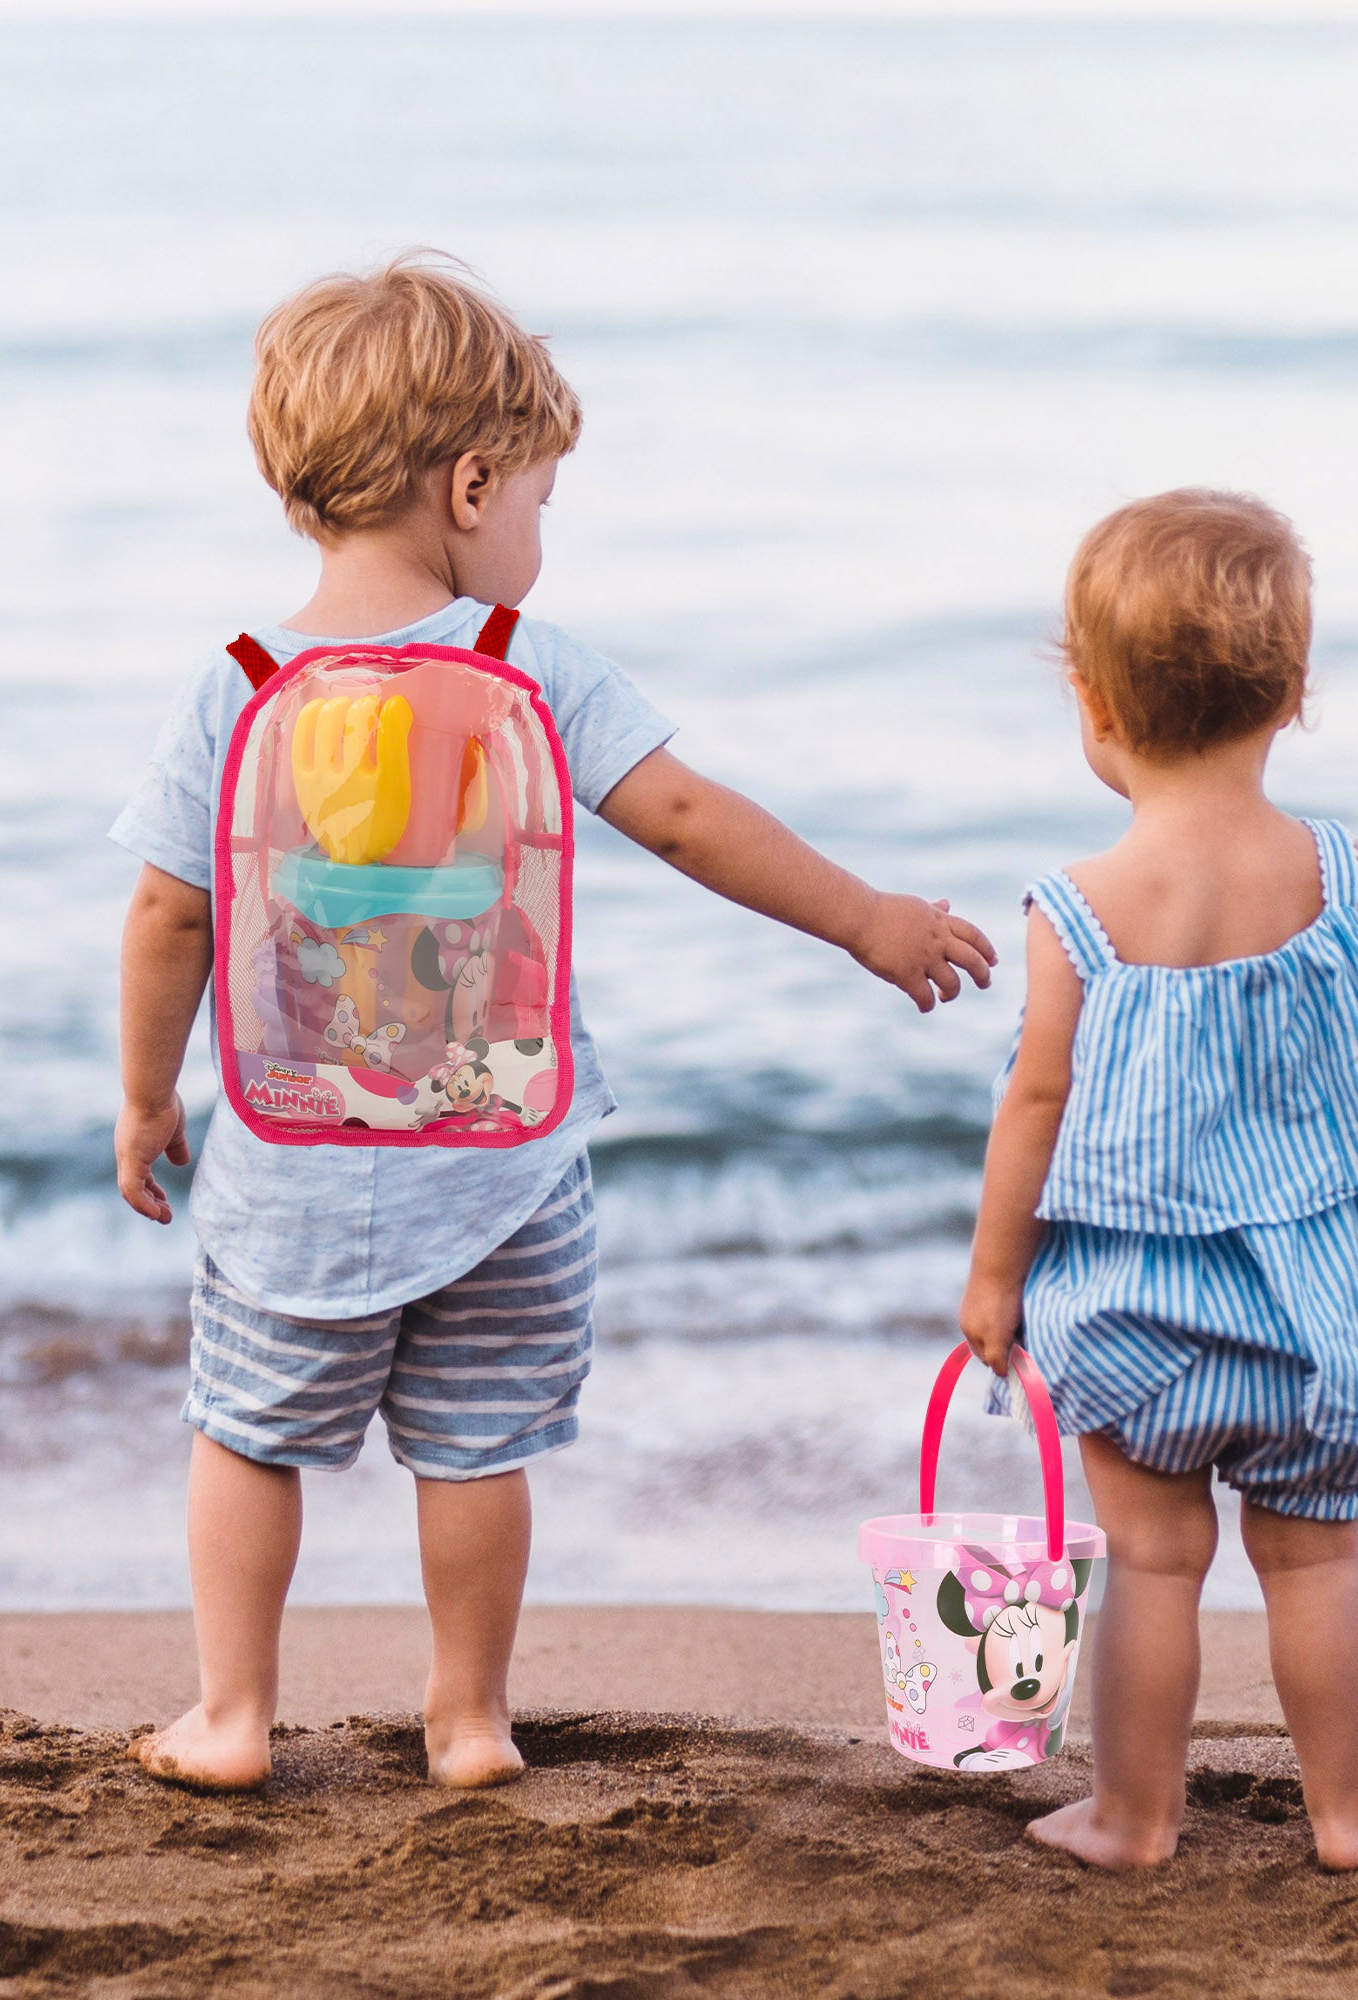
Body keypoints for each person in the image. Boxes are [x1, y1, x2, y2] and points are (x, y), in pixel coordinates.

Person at [111, 254, 996, 1795]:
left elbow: (170, 915)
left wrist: (144, 1097)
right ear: (467, 486)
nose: (536, 530)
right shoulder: (529, 667)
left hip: (292, 1168)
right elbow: (689, 818)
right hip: (504, 1168)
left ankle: (232, 1715)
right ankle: (467, 1720)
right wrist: (869, 920)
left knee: (249, 1436)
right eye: (535, 496)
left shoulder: (238, 685)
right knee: (472, 1449)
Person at [958, 490, 1358, 1871]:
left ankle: (1133, 1815)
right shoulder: (1337, 876)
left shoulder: (1078, 911)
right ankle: (1348, 1815)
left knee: (1155, 1565)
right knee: (1314, 1563)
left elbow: (1031, 1110)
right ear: (1293, 695)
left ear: (1092, 704)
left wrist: (994, 1279)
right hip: (1320, 1320)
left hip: (1138, 1320)